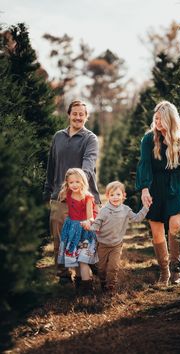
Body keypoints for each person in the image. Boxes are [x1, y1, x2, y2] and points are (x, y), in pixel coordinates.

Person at [136, 101, 180, 286]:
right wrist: (144, 189)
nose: (157, 122)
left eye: (161, 119)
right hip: (155, 185)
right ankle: (164, 272)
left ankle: (176, 269)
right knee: (156, 231)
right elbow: (144, 164)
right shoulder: (148, 139)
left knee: (176, 225)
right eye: (155, 119)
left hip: (176, 184)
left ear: (170, 119)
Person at [43, 100, 100, 282]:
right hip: (60, 196)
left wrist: (77, 186)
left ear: (86, 116)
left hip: (83, 197)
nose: (77, 117)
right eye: (74, 113)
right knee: (60, 235)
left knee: (86, 234)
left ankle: (89, 271)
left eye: (81, 114)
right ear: (68, 115)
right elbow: (51, 166)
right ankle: (63, 274)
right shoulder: (58, 137)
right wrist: (48, 190)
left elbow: (88, 165)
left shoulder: (89, 138)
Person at [83, 181, 149, 295]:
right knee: (101, 269)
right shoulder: (104, 210)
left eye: (118, 194)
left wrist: (146, 208)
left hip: (116, 244)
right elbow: (97, 224)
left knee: (113, 267)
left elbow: (137, 218)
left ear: (124, 195)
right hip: (102, 244)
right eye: (112, 195)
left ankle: (110, 286)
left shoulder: (126, 209)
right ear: (107, 196)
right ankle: (103, 282)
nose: (115, 197)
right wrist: (89, 226)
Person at [57, 168, 98, 294]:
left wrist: (88, 221)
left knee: (83, 259)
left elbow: (91, 216)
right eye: (71, 182)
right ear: (67, 183)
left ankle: (87, 288)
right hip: (71, 230)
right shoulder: (67, 193)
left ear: (83, 182)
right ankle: (79, 282)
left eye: (77, 182)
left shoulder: (88, 197)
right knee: (75, 259)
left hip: (84, 231)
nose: (74, 185)